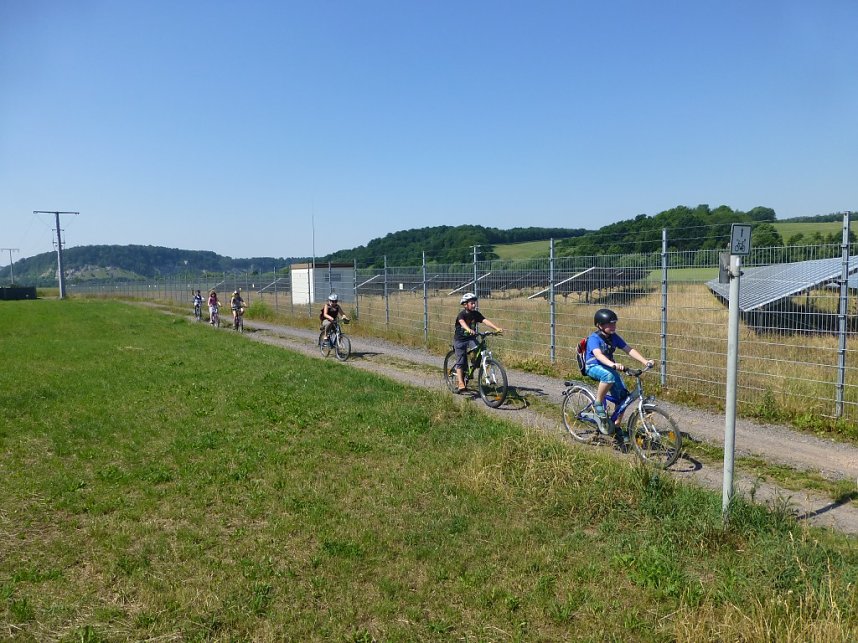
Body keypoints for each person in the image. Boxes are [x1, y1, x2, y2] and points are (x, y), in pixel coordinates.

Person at [583, 308, 654, 442]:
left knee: (623, 398)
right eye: (609, 324)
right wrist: (612, 364)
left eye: (614, 324)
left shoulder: (614, 337)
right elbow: (598, 355)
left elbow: (629, 349)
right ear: (599, 325)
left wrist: (645, 361)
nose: (613, 326)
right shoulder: (594, 338)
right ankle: (598, 402)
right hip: (593, 366)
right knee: (608, 377)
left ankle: (615, 428)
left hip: (609, 367)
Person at [453, 292, 503, 392]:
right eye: (471, 303)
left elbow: (485, 320)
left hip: (471, 338)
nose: (474, 305)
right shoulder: (462, 314)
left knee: (478, 352)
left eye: (474, 303)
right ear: (465, 304)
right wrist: (468, 329)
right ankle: (460, 383)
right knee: (460, 361)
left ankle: (472, 366)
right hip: (460, 340)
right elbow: (462, 323)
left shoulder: (476, 314)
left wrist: (496, 328)